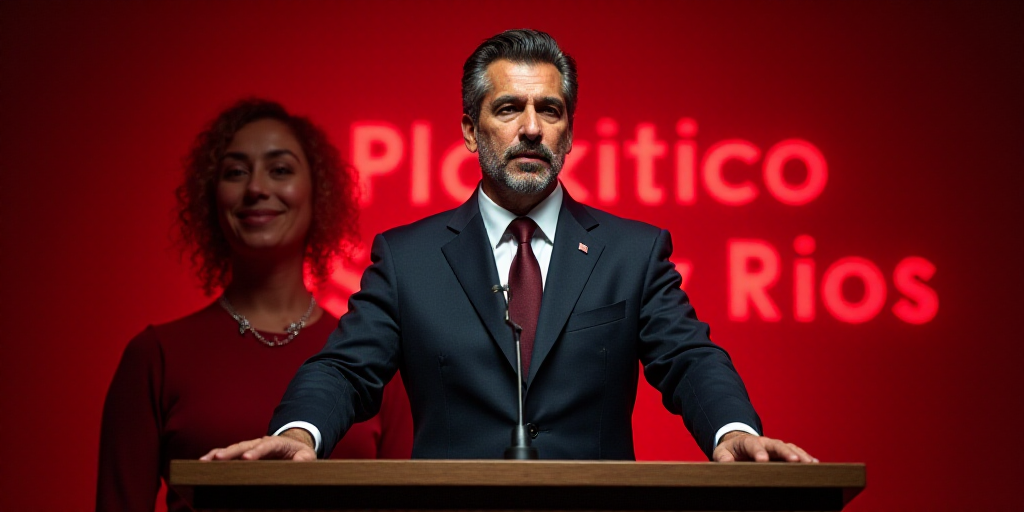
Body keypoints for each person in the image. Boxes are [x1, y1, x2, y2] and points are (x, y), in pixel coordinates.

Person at [203, 30, 815, 464]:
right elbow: (345, 368)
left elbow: (688, 357)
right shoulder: (409, 260)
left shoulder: (633, 253)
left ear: (569, 133)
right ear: (471, 131)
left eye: (549, 110)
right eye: (507, 108)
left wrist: (732, 430)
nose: (530, 128)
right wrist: (301, 432)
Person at [97, 99, 413, 512]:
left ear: (319, 193)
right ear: (211, 198)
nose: (256, 188)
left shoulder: (375, 360)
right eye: (235, 172)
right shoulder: (155, 357)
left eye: (280, 170)